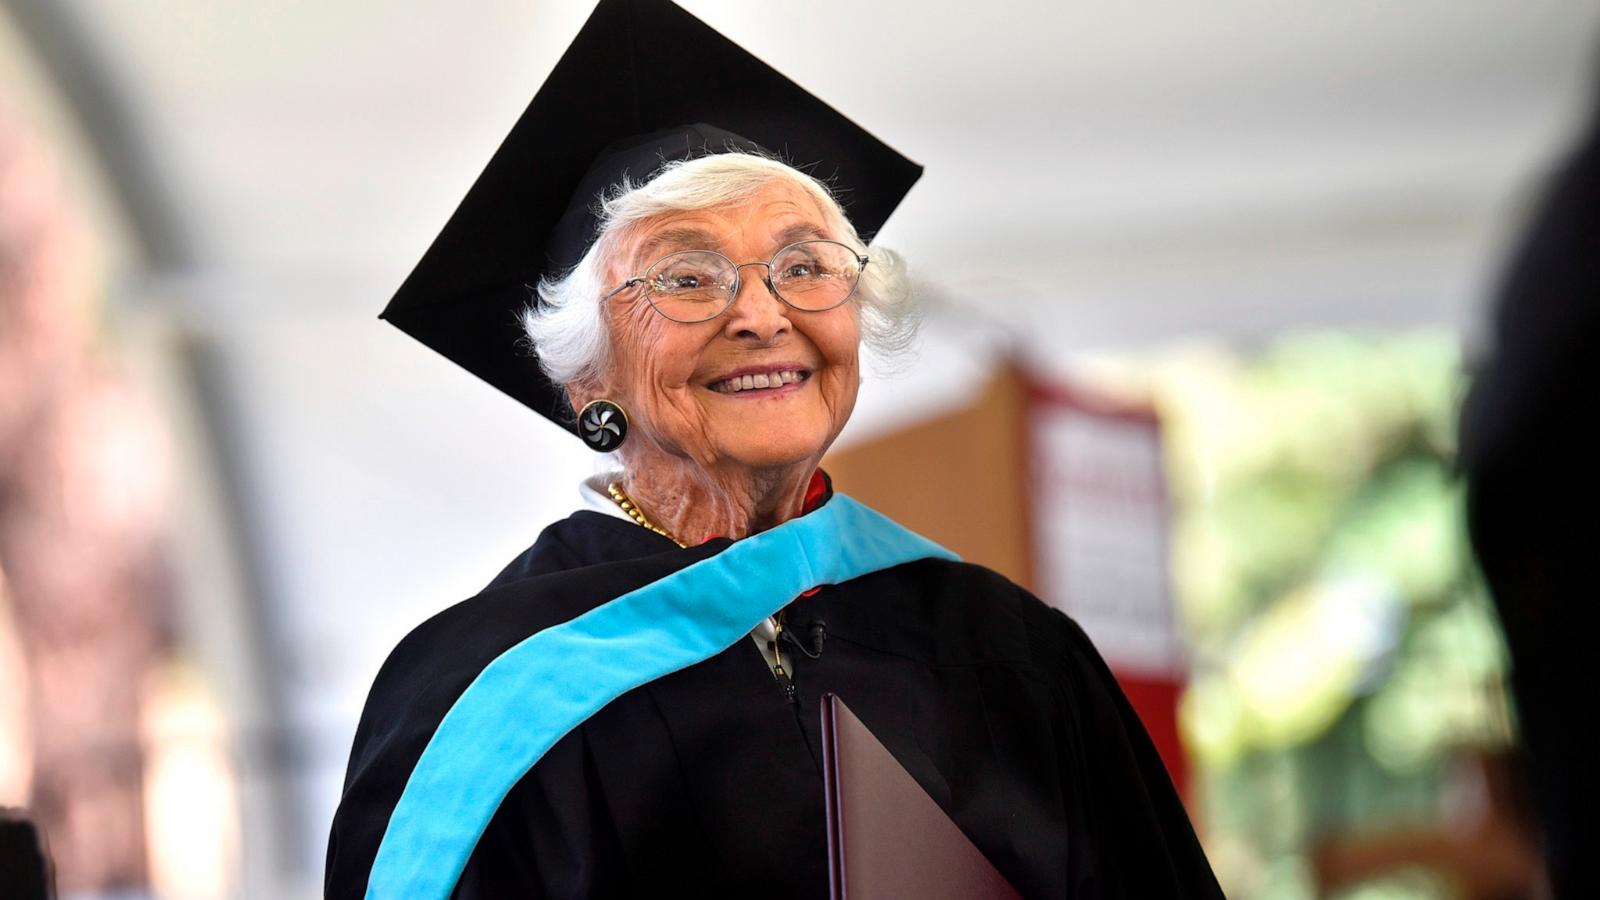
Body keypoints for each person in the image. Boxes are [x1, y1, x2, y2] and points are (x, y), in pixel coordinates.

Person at [325, 1, 1222, 897]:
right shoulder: (488, 693)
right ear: (585, 377)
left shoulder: (1010, 651)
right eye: (686, 277)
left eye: (804, 267)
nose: (762, 315)